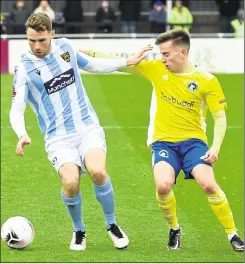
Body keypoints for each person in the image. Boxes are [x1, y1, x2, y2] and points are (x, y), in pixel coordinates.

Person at [80, 29, 244, 252]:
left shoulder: (206, 81)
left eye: (166, 54)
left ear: (183, 52)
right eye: (161, 54)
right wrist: (87, 53)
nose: (162, 59)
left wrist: (215, 147)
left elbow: (220, 117)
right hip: (163, 143)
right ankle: (175, 228)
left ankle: (232, 233)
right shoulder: (156, 70)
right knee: (163, 185)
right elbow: (119, 63)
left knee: (208, 184)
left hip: (194, 143)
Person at [9, 12, 151, 251]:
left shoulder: (65, 48)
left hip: (86, 126)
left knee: (97, 171)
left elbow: (93, 64)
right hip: (57, 138)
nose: (37, 46)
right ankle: (79, 230)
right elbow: (16, 108)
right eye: (32, 40)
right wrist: (21, 133)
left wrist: (127, 61)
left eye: (42, 40)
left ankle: (112, 225)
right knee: (71, 182)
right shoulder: (23, 68)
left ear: (52, 35)